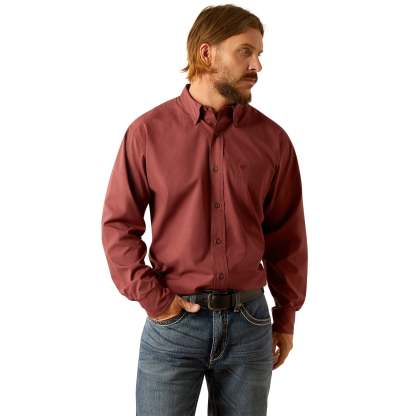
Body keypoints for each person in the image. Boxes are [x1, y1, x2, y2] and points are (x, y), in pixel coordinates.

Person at [101, 4, 308, 415]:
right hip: (174, 323)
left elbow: (287, 237)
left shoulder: (273, 141)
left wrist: (285, 314)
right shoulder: (147, 133)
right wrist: (155, 299)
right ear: (207, 53)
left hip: (250, 324)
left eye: (259, 54)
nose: (257, 65)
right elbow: (118, 227)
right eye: (245, 52)